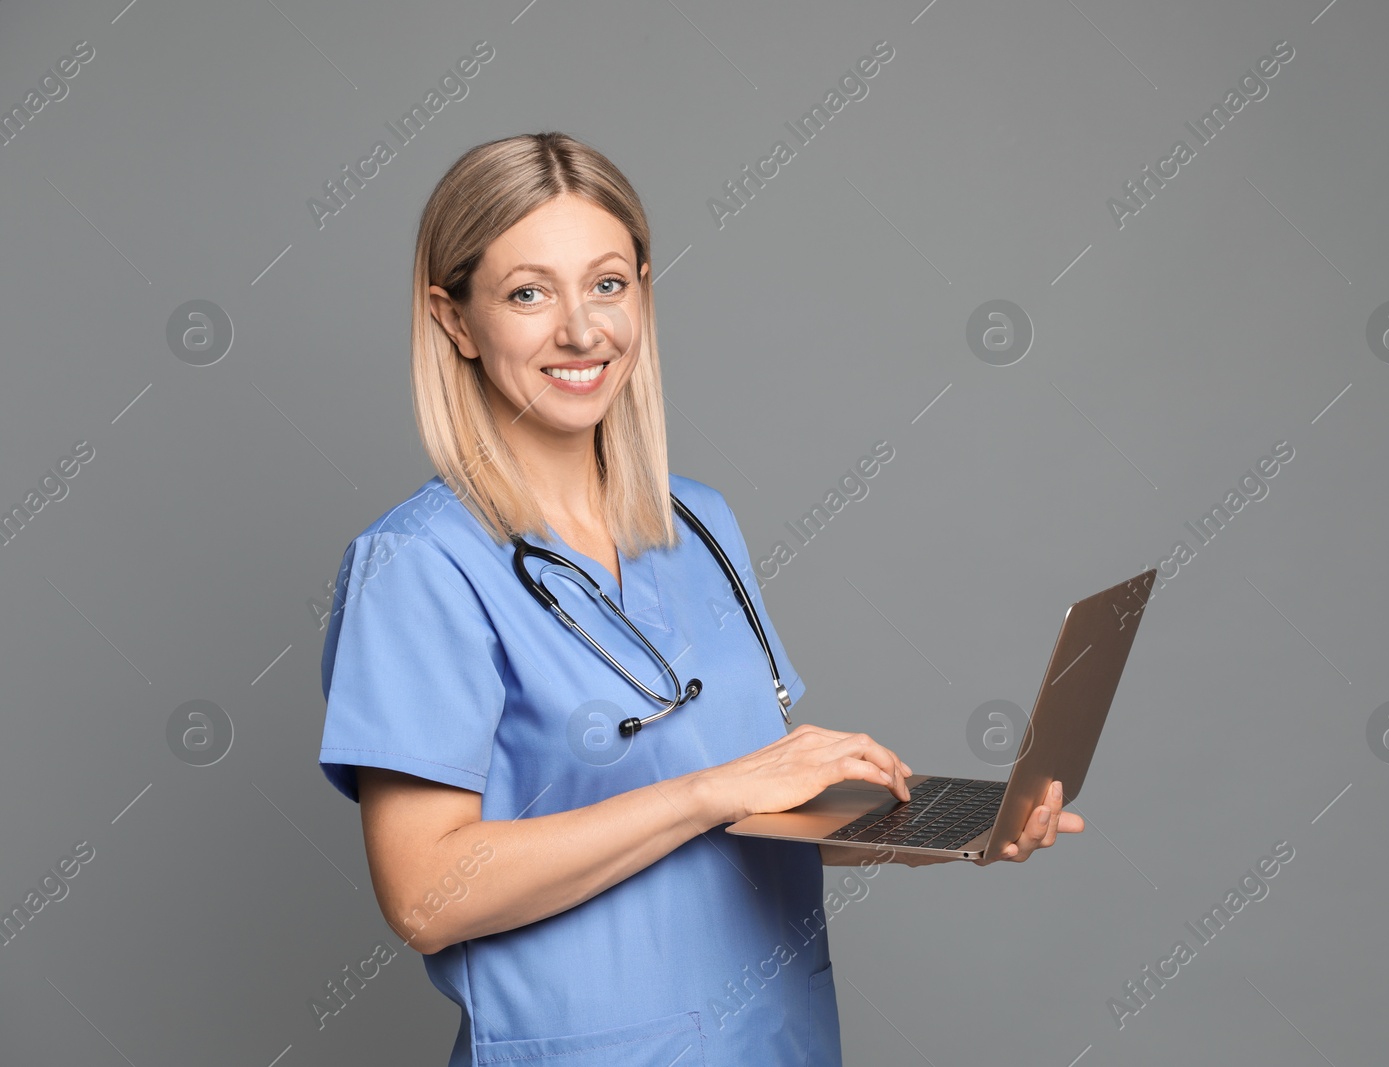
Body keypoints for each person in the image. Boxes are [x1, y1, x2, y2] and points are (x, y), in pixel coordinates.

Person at [316, 131, 1082, 1067]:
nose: (582, 330)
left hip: (774, 1040)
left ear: (643, 287)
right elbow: (425, 894)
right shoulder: (420, 565)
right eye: (528, 292)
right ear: (456, 320)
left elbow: (746, 811)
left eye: (607, 283)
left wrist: (943, 826)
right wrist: (710, 791)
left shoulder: (698, 522)